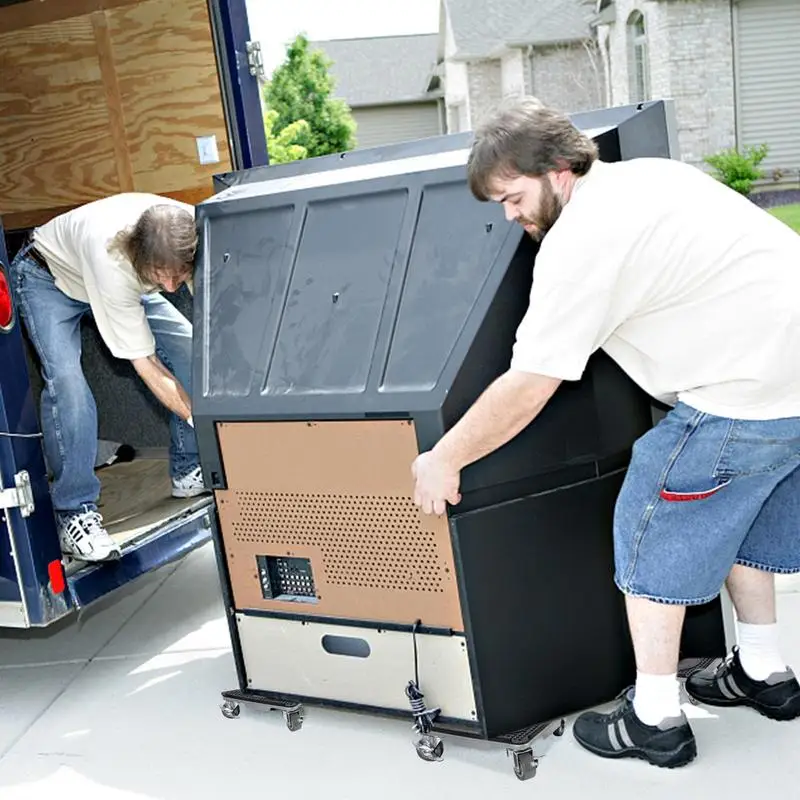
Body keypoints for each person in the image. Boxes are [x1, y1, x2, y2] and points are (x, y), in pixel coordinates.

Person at [410, 97, 800, 768]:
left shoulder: (581, 240)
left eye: (512, 197)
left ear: (559, 169)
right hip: (791, 388)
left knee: (651, 532)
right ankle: (764, 673)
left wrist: (444, 458)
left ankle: (655, 719)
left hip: (743, 396)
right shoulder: (652, 176)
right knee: (740, 515)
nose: (509, 216)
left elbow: (531, 383)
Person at [10, 193, 207, 563]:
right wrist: (205, 421)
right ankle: (75, 513)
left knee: (192, 350)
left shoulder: (190, 230)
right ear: (139, 254)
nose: (170, 287)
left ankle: (188, 469)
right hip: (48, 277)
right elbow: (148, 366)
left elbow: (213, 311)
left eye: (178, 275)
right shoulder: (114, 259)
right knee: (68, 386)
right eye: (160, 276)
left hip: (122, 278)